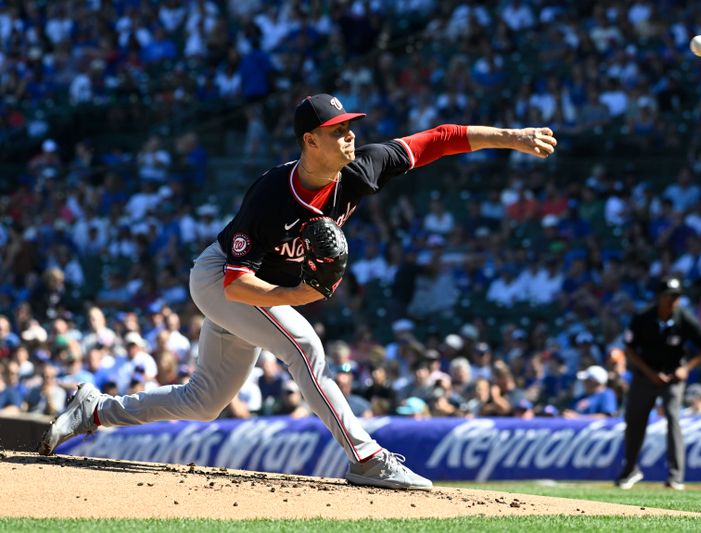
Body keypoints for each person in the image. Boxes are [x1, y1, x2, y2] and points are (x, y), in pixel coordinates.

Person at [38, 93, 558, 490]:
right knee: (304, 347)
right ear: (309, 141)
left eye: (350, 128)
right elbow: (235, 283)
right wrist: (302, 297)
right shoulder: (271, 196)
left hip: (258, 289)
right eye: (336, 132)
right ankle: (366, 459)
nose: (350, 138)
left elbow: (440, 138)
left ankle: (96, 409)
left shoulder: (361, 169)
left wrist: (512, 136)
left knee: (204, 401)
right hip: (223, 279)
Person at [615, 277, 701, 491]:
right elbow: (630, 349)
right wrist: (650, 373)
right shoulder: (643, 317)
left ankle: (675, 476)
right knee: (635, 420)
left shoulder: (684, 318)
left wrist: (686, 368)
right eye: (669, 296)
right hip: (645, 376)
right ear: (659, 297)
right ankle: (630, 470)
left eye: (676, 297)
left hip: (672, 377)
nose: (672, 301)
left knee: (673, 418)